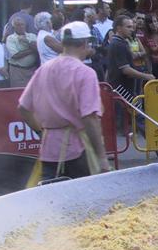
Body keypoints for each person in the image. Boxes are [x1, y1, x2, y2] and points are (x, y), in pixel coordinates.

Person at [18, 21, 112, 181]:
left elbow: (23, 108)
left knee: (50, 195)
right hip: (77, 151)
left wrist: (42, 132)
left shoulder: (43, 69)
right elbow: (89, 118)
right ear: (84, 43)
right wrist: (102, 157)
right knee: (83, 196)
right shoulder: (85, 73)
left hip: (48, 150)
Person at [5, 15, 39, 88]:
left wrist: (27, 41)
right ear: (13, 27)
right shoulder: (10, 38)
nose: (20, 27)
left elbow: (38, 49)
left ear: (25, 25)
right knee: (18, 92)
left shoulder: (32, 36)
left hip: (32, 69)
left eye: (22, 24)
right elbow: (15, 55)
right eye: (18, 25)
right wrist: (31, 49)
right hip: (17, 70)